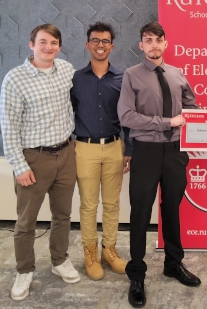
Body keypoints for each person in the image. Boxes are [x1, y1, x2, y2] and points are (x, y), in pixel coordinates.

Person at [118, 22, 201, 308]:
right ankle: (137, 275)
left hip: (176, 152)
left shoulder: (177, 74)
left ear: (166, 43)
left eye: (158, 40)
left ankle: (173, 264)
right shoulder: (131, 76)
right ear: (141, 45)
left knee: (172, 209)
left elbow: (192, 108)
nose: (154, 45)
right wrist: (167, 122)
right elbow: (126, 117)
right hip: (146, 152)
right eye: (148, 40)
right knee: (140, 211)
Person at [0, 24, 80, 302]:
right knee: (26, 221)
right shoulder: (15, 78)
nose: (49, 47)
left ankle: (60, 261)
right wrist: (19, 166)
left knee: (63, 216)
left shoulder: (68, 71)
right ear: (31, 44)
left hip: (66, 153)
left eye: (54, 42)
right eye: (43, 42)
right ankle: (24, 270)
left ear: (59, 45)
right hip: (33, 158)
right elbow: (8, 127)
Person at [70, 22, 133, 281]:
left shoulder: (122, 78)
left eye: (105, 41)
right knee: (87, 205)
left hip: (115, 147)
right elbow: (67, 113)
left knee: (112, 203)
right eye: (95, 40)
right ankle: (90, 252)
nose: (100, 45)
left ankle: (109, 249)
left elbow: (128, 116)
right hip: (84, 148)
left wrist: (129, 148)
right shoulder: (75, 79)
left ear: (112, 46)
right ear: (88, 44)